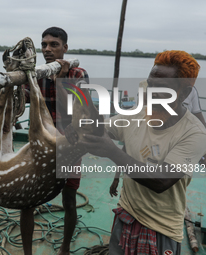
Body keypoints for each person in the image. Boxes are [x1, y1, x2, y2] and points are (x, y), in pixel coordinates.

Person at [66, 50, 206, 254]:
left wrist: (113, 152)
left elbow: (161, 182)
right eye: (150, 84)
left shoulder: (195, 133)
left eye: (162, 89)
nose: (151, 92)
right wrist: (79, 125)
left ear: (184, 93)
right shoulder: (137, 114)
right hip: (126, 214)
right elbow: (102, 128)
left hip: (160, 228)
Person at [20, 27, 89, 255]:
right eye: (44, 45)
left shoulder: (77, 74)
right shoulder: (36, 75)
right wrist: (15, 85)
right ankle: (27, 252)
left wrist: (60, 79)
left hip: (70, 144)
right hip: (42, 145)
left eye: (54, 44)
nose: (47, 49)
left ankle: (65, 249)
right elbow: (24, 98)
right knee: (28, 201)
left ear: (65, 48)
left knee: (69, 199)